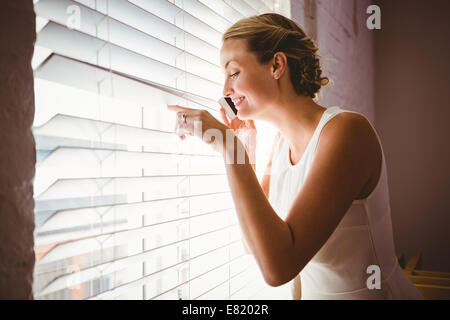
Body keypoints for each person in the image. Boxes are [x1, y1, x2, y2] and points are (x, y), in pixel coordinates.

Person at [167, 13, 424, 300]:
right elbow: (253, 245)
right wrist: (246, 156)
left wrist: (231, 149)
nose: (225, 90)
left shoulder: (347, 133)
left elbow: (278, 268)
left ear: (277, 65)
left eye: (234, 72)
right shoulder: (279, 145)